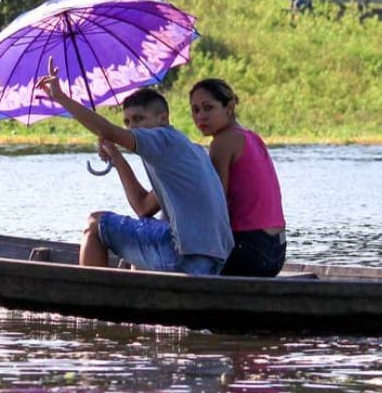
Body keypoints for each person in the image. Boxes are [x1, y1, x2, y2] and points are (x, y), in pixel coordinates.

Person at [34, 59, 233, 275]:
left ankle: (92, 299)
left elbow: (109, 131)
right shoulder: (185, 150)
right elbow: (143, 207)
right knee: (143, 230)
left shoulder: (161, 139)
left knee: (94, 224)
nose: (133, 127)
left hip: (186, 257)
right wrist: (117, 158)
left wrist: (61, 98)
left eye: (139, 118)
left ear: (163, 118)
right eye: (128, 122)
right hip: (213, 260)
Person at [188, 78, 286, 277]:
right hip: (277, 252)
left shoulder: (222, 142)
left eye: (208, 108)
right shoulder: (251, 136)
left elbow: (216, 204)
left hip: (250, 251)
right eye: (195, 110)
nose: (201, 117)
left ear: (229, 107)